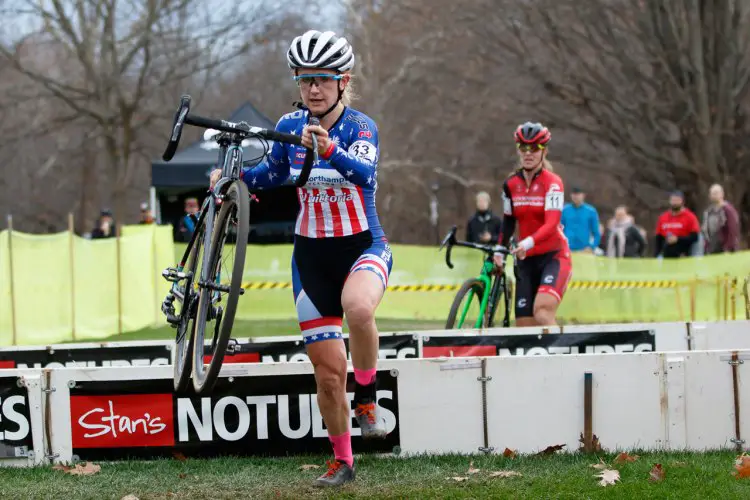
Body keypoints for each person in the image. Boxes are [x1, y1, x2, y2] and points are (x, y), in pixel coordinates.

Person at [210, 30, 391, 487]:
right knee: (329, 378)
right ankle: (343, 462)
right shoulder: (289, 128)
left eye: (323, 80)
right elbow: (270, 175)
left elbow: (366, 174)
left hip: (362, 246)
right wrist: (229, 181)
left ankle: (367, 396)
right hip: (310, 258)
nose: (313, 88)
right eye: (305, 79)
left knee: (359, 307)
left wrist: (330, 149)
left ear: (343, 80)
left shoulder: (360, 127)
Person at [493, 122, 572, 326]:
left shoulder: (553, 183)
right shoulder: (510, 184)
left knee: (542, 312)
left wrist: (527, 243)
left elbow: (552, 224)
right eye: (524, 148)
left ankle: (564, 357)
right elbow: (508, 220)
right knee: (524, 329)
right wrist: (499, 251)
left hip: (553, 256)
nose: (529, 153)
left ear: (543, 151)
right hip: (526, 261)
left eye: (534, 148)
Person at [654, 190, 700, 258]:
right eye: (673, 200)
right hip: (666, 256)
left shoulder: (690, 217)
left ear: (683, 202)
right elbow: (658, 239)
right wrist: (656, 255)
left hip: (683, 256)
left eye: (677, 200)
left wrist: (677, 239)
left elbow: (695, 237)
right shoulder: (663, 217)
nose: (674, 203)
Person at [702, 184, 740, 254]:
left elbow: (732, 229)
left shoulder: (728, 210)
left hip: (726, 249)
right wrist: (706, 247)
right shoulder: (708, 212)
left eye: (716, 193)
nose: (714, 196)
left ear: (722, 194)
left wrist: (728, 248)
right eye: (712, 193)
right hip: (712, 248)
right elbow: (706, 231)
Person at [561, 187, 600, 253]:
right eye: (574, 194)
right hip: (567, 249)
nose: (576, 197)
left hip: (584, 250)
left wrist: (592, 247)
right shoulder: (565, 210)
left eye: (578, 194)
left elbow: (596, 233)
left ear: (583, 195)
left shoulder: (591, 211)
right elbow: (559, 230)